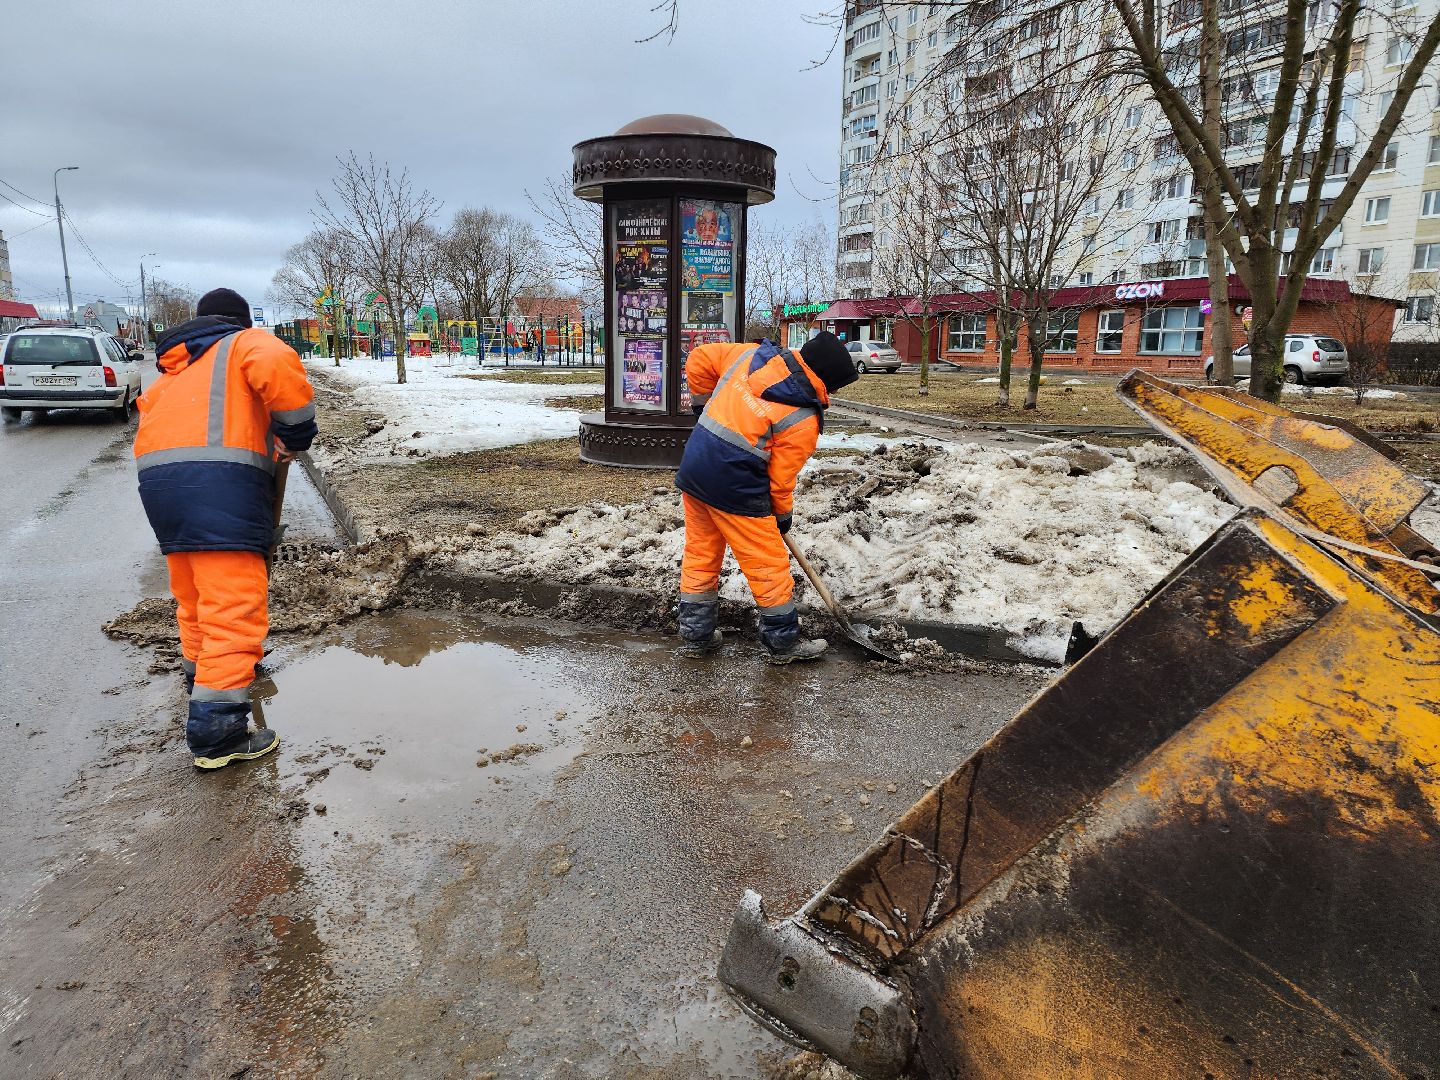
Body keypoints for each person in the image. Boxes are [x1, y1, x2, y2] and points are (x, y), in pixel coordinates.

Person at [133, 288, 318, 769]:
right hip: (219, 487)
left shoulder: (172, 372)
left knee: (196, 598)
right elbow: (277, 362)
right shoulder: (243, 344)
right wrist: (296, 432)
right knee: (235, 608)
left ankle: (202, 680)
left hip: (161, 492)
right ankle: (218, 737)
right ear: (236, 321)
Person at [674, 331, 858, 664]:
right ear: (827, 381)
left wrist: (702, 409)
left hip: (696, 467)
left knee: (701, 551)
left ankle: (696, 636)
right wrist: (782, 515)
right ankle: (783, 643)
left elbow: (699, 359)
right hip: (736, 485)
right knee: (767, 562)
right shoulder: (802, 418)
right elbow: (780, 480)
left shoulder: (750, 356)